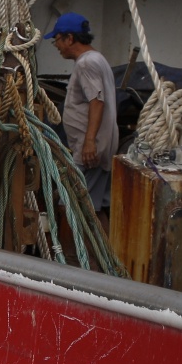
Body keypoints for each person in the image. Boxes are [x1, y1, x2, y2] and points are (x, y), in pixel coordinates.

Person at [45, 12, 117, 213]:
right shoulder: (98, 59)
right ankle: (101, 238)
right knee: (94, 210)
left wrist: (89, 142)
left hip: (89, 152)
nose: (56, 46)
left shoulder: (87, 63)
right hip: (99, 146)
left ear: (69, 38)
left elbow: (97, 101)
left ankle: (68, 238)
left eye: (57, 40)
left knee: (70, 208)